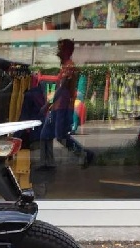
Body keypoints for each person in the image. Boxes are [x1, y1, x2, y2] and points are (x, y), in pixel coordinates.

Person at [39, 39, 95, 169]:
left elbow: (62, 88)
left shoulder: (69, 67)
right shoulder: (65, 67)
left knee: (60, 136)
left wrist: (48, 104)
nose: (57, 51)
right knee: (45, 135)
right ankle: (47, 162)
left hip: (62, 108)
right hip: (57, 107)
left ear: (67, 51)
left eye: (60, 48)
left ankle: (85, 154)